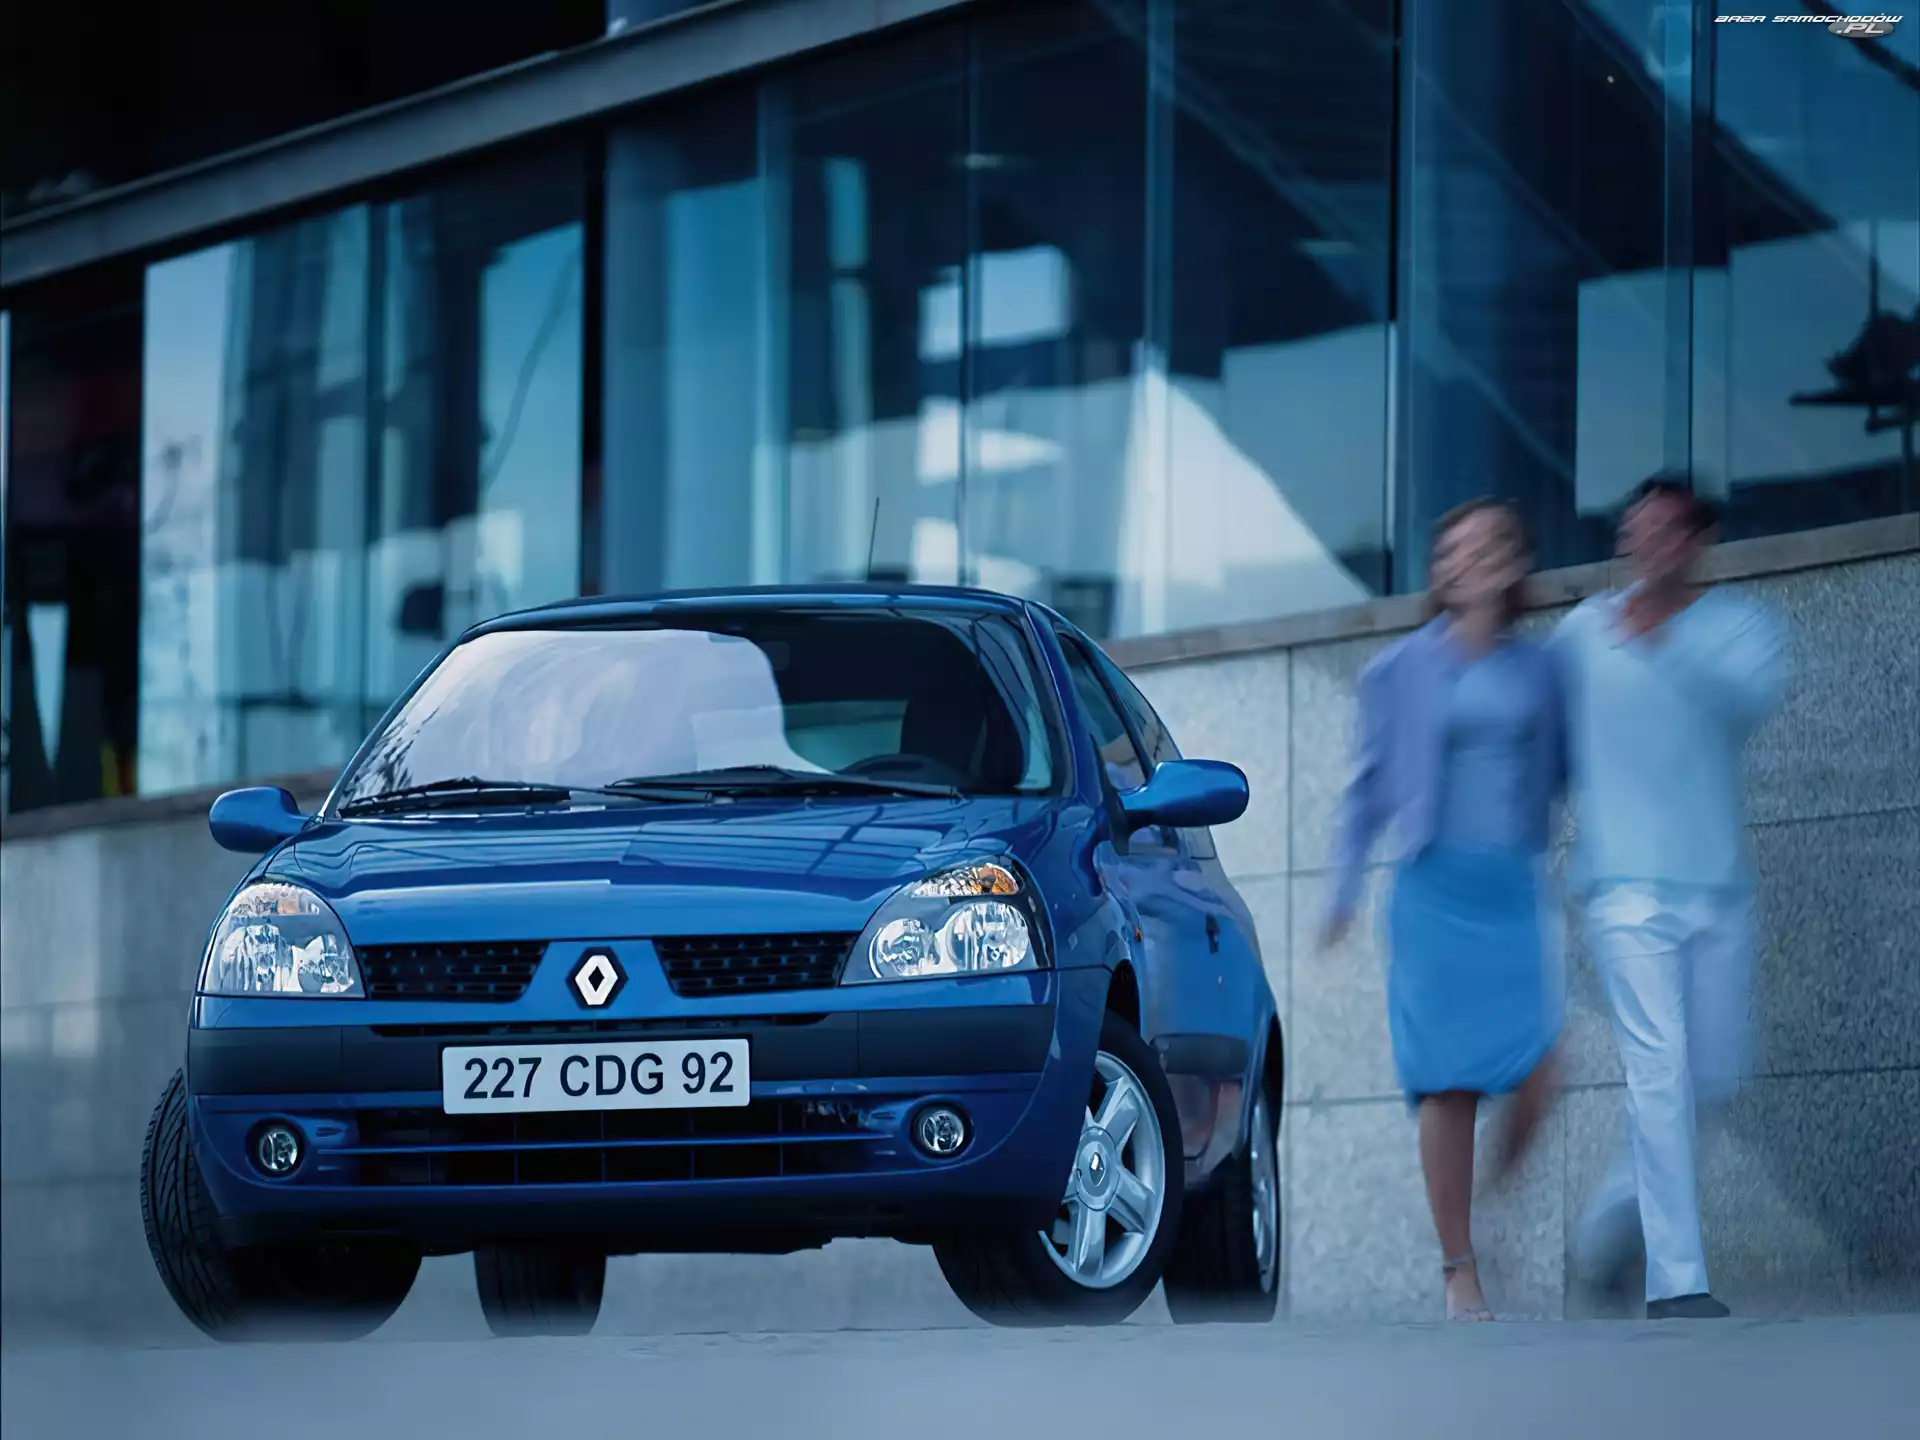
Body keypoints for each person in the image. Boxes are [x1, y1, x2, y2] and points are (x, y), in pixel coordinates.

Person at [1324, 497, 1566, 1322]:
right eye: (1452, 550)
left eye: (1486, 546)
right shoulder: (1398, 670)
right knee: (1447, 1084)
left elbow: (1564, 767)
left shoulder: (1540, 669)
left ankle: (1490, 1198)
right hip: (1432, 894)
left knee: (1543, 1069)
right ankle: (1459, 1268)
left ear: (1514, 562)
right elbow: (1365, 791)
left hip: (1510, 892)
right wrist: (1342, 890)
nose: (1465, 560)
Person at [1556, 476, 1789, 1321]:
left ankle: (1603, 1233)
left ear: (1697, 541)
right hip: (1626, 893)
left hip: (1717, 895)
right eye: (1634, 532)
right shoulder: (1583, 634)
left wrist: (1662, 635)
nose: (1644, 546)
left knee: (1711, 1081)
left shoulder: (1740, 631)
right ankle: (1677, 1283)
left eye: (1663, 532)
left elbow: (1748, 700)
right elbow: (1540, 729)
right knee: (1659, 1072)